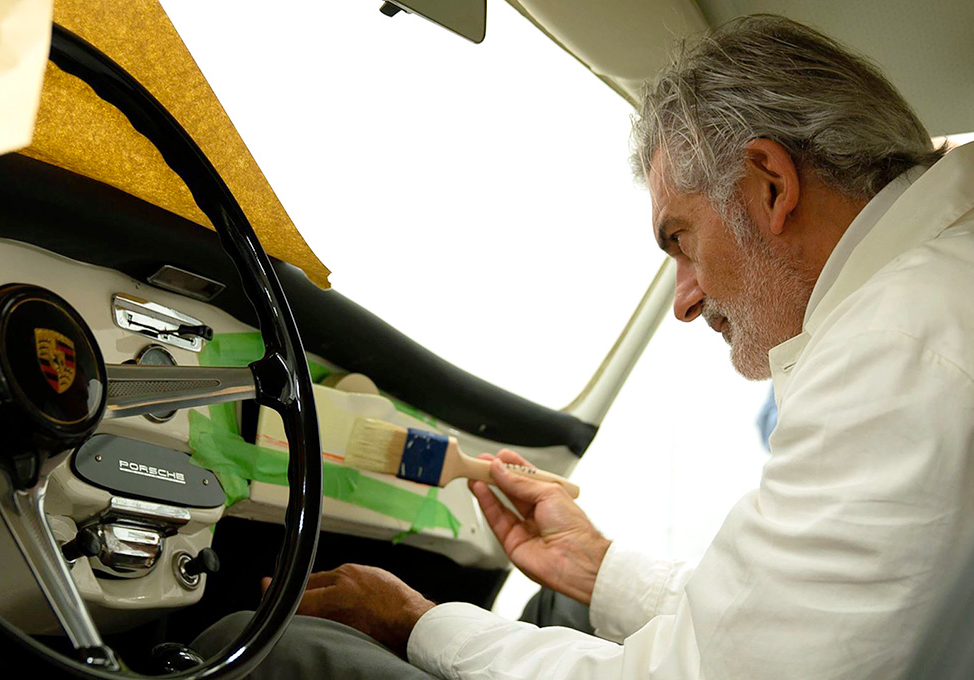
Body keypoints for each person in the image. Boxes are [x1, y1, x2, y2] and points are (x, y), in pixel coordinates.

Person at [193, 14, 974, 679]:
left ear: (771, 184)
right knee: (566, 603)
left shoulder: (896, 347)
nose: (685, 300)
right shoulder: (934, 292)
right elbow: (793, 618)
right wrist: (598, 572)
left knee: (255, 648)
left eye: (682, 240)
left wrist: (415, 622)